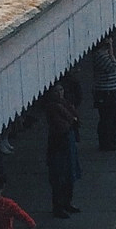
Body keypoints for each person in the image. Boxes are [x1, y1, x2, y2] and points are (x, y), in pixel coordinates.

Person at [44, 83, 80, 217]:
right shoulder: (53, 107)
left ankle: (67, 202)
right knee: (59, 178)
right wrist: (72, 120)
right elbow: (63, 124)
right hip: (59, 146)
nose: (60, 93)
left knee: (69, 176)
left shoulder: (65, 103)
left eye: (61, 89)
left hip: (66, 143)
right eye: (56, 91)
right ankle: (58, 207)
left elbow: (75, 117)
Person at [90, 37, 116, 152]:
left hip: (114, 89)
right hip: (106, 92)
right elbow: (113, 67)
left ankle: (111, 138)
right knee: (107, 118)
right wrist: (111, 51)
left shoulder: (105, 54)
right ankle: (105, 142)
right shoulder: (99, 55)